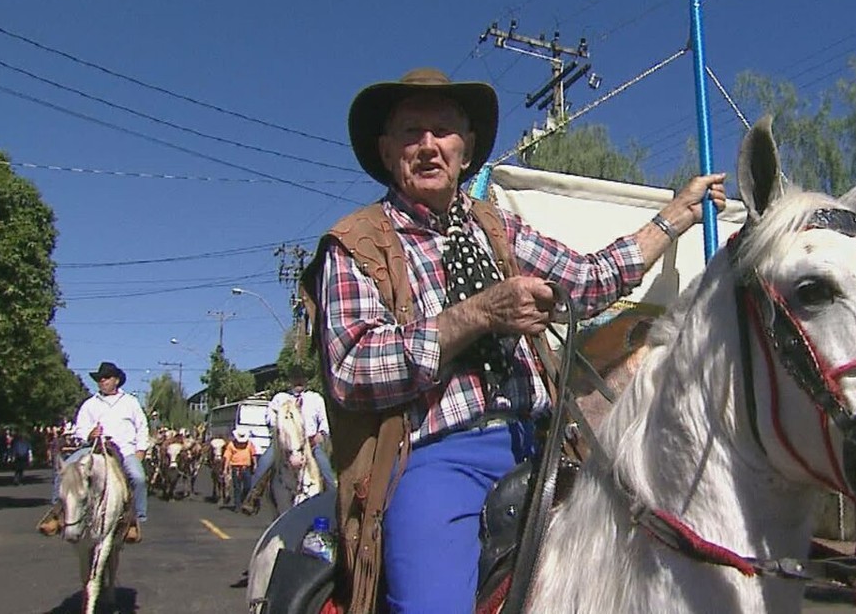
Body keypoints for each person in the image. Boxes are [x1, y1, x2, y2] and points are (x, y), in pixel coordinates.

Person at [300, 68, 727, 612]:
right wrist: (476, 314)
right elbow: (353, 372)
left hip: (545, 445)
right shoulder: (356, 244)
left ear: (467, 147)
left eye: (443, 131)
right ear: (387, 152)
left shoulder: (497, 228)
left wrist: (673, 218)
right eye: (411, 132)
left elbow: (588, 281)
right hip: (435, 458)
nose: (428, 146)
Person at [36, 361, 149, 543]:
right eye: (100, 379)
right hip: (93, 448)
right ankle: (56, 514)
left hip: (124, 449)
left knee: (138, 478)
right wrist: (89, 433)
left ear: (117, 380)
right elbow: (80, 429)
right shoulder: (90, 404)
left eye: (106, 378)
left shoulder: (131, 403)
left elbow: (142, 427)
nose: (102, 381)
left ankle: (135, 521)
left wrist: (141, 450)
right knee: (64, 471)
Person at [243, 368, 335, 511]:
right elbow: (269, 418)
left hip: (309, 444)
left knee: (325, 467)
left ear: (306, 380)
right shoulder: (280, 398)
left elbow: (324, 423)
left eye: (301, 378)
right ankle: (252, 496)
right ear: (290, 380)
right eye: (295, 378)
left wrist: (319, 436)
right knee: (265, 462)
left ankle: (333, 500)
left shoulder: (316, 399)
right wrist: (282, 426)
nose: (298, 381)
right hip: (283, 444)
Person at [223, 428, 257, 512]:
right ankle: (237, 505)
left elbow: (253, 454)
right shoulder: (231, 445)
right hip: (236, 468)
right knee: (237, 487)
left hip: (246, 467)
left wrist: (255, 464)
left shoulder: (249, 444)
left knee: (248, 486)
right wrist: (225, 468)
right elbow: (227, 456)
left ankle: (242, 500)